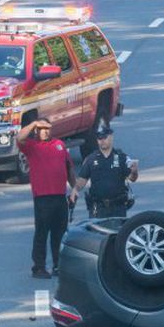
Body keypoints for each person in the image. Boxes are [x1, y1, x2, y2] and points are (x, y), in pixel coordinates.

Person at [17, 117, 74, 279]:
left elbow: (69, 168)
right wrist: (34, 123)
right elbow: (20, 137)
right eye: (41, 129)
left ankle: (58, 265)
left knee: (60, 234)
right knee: (42, 233)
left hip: (60, 196)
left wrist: (74, 190)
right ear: (36, 131)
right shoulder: (31, 146)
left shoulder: (60, 145)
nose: (45, 131)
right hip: (42, 197)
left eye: (47, 128)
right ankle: (39, 267)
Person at [71, 125, 138, 219]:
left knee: (117, 233)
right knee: (96, 233)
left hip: (117, 206)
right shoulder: (91, 159)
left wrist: (134, 172)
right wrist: (75, 189)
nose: (102, 140)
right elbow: (82, 179)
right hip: (97, 207)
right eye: (99, 138)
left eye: (105, 137)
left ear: (111, 137)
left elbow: (132, 178)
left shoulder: (121, 157)